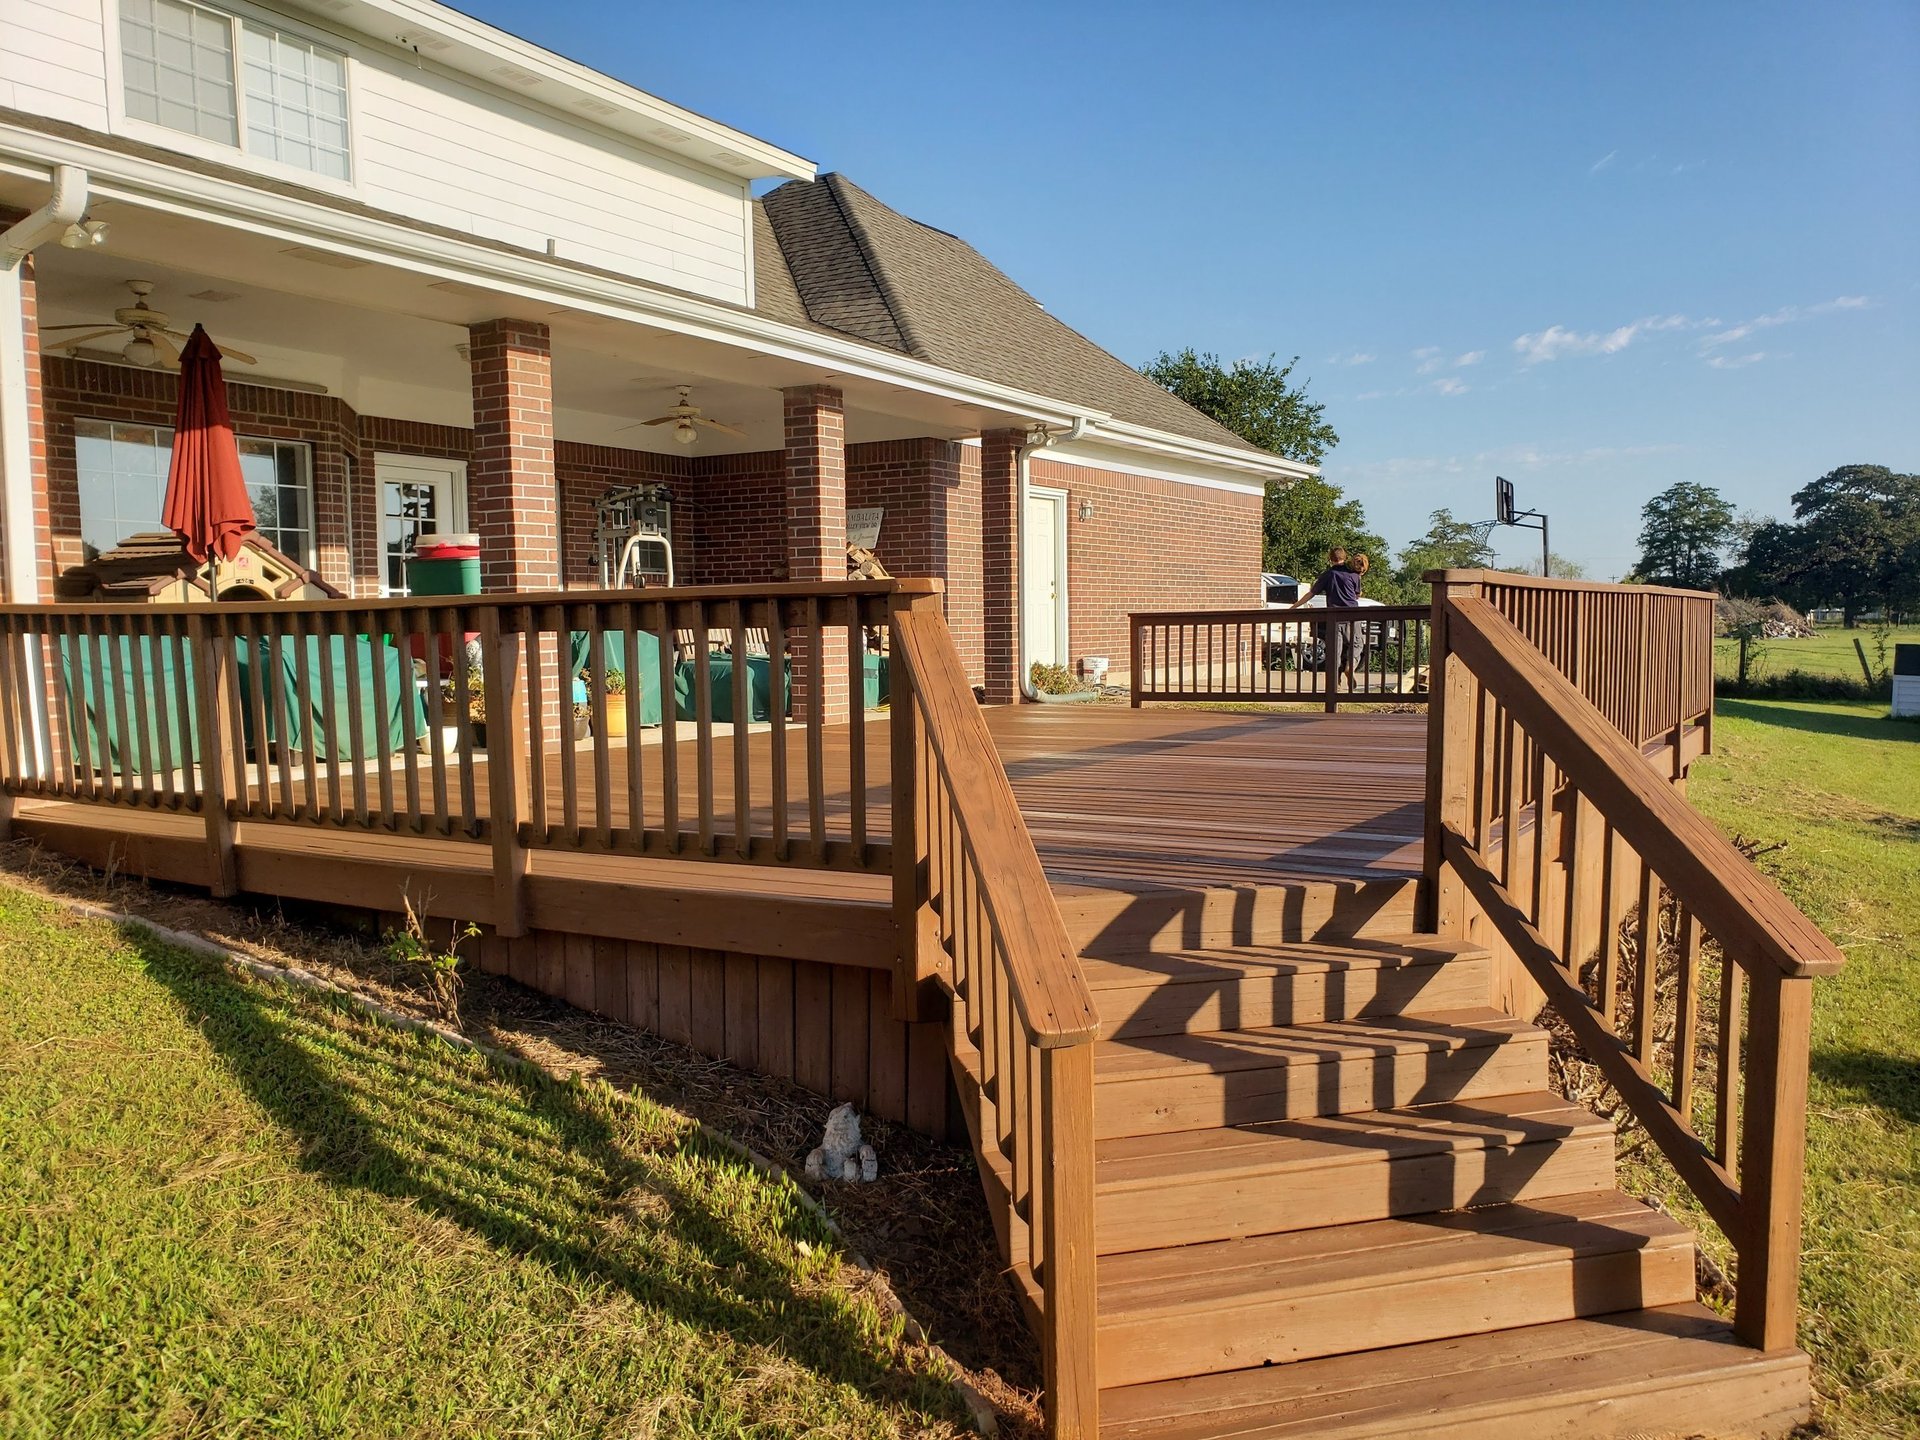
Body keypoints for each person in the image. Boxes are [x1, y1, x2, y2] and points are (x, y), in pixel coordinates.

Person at [1287, 547, 1363, 686]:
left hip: (1334, 618)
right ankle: (1350, 666)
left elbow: (1311, 593)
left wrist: (1294, 607)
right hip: (1352, 616)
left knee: (1335, 651)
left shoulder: (1328, 575)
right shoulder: (1354, 574)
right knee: (1357, 644)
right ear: (1345, 558)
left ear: (1330, 559)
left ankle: (1333, 685)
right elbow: (1357, 595)